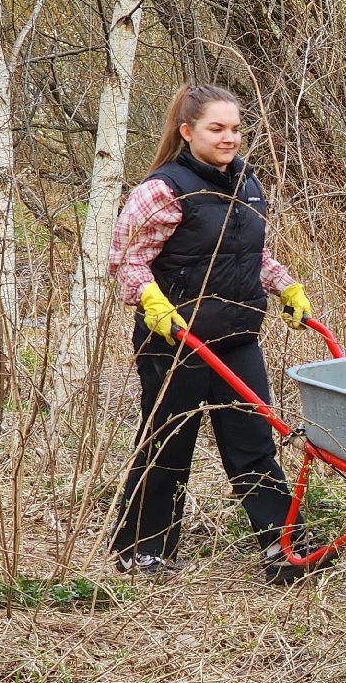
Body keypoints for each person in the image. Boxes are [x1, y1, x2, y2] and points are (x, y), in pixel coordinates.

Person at [106, 83, 334, 584]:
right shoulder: (163, 190)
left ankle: (282, 542)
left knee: (253, 440)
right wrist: (150, 301)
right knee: (169, 442)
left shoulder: (248, 184)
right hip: (174, 339)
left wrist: (286, 286)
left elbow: (253, 257)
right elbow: (126, 258)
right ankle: (141, 547)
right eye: (216, 129)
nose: (229, 138)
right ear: (187, 132)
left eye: (234, 129)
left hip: (236, 337)